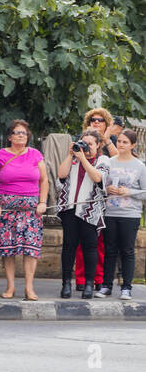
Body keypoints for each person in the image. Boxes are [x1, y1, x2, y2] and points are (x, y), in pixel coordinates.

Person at [0, 118, 48, 301]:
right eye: (17, 132)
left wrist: (43, 202)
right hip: (6, 209)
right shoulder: (1, 155)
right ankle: (10, 286)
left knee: (31, 248)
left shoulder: (36, 154)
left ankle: (29, 287)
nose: (21, 136)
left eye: (24, 133)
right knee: (8, 249)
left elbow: (44, 180)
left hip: (31, 210)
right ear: (10, 137)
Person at [55, 129, 108, 299]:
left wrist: (83, 158)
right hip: (70, 209)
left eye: (90, 144)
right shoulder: (74, 158)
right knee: (69, 247)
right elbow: (61, 175)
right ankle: (66, 285)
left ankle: (89, 285)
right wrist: (71, 155)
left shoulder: (103, 160)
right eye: (84, 142)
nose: (86, 147)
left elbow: (98, 178)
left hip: (89, 211)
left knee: (90, 248)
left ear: (98, 145)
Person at [101, 128, 146, 299]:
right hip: (110, 212)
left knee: (127, 251)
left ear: (133, 145)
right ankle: (106, 286)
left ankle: (126, 287)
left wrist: (129, 192)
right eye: (119, 141)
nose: (120, 144)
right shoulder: (110, 162)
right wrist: (107, 189)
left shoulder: (139, 166)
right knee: (110, 250)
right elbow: (100, 187)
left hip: (130, 215)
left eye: (125, 142)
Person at [75, 107, 113, 291]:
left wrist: (107, 140)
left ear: (106, 124)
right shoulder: (81, 143)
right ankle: (81, 279)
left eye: (100, 120)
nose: (96, 122)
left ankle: (98, 278)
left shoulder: (112, 143)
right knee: (83, 243)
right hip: (83, 199)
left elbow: (119, 159)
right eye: (92, 120)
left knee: (99, 244)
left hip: (106, 199)